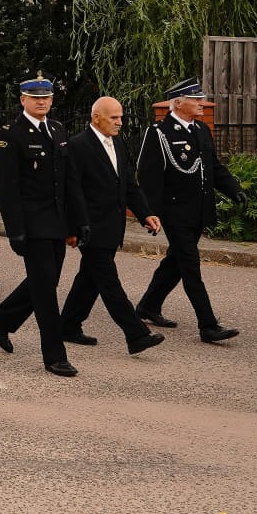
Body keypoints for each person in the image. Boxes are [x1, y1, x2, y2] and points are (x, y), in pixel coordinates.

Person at [0, 74, 87, 377]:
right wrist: (15, 230)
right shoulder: (10, 134)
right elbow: (6, 187)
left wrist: (79, 221)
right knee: (45, 293)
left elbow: (69, 181)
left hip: (57, 222)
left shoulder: (57, 129)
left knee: (45, 283)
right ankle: (55, 356)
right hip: (32, 224)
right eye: (35, 98)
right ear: (23, 100)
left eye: (46, 97)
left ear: (52, 100)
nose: (42, 102)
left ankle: (2, 317)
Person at [134, 78, 244, 342]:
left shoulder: (201, 129)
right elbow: (148, 176)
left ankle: (148, 306)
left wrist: (234, 189)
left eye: (201, 99)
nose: (201, 103)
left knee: (176, 262)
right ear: (178, 103)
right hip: (174, 212)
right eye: (195, 99)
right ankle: (208, 325)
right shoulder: (160, 133)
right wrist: (149, 213)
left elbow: (213, 167)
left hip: (198, 210)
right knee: (190, 266)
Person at [59, 97, 166, 355]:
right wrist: (72, 228)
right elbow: (70, 190)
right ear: (96, 117)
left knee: (89, 279)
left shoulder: (117, 143)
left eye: (121, 117)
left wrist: (145, 214)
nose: (120, 122)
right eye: (114, 117)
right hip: (90, 228)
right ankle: (136, 334)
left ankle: (68, 325)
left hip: (112, 226)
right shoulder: (78, 146)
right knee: (109, 283)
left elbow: (128, 185)